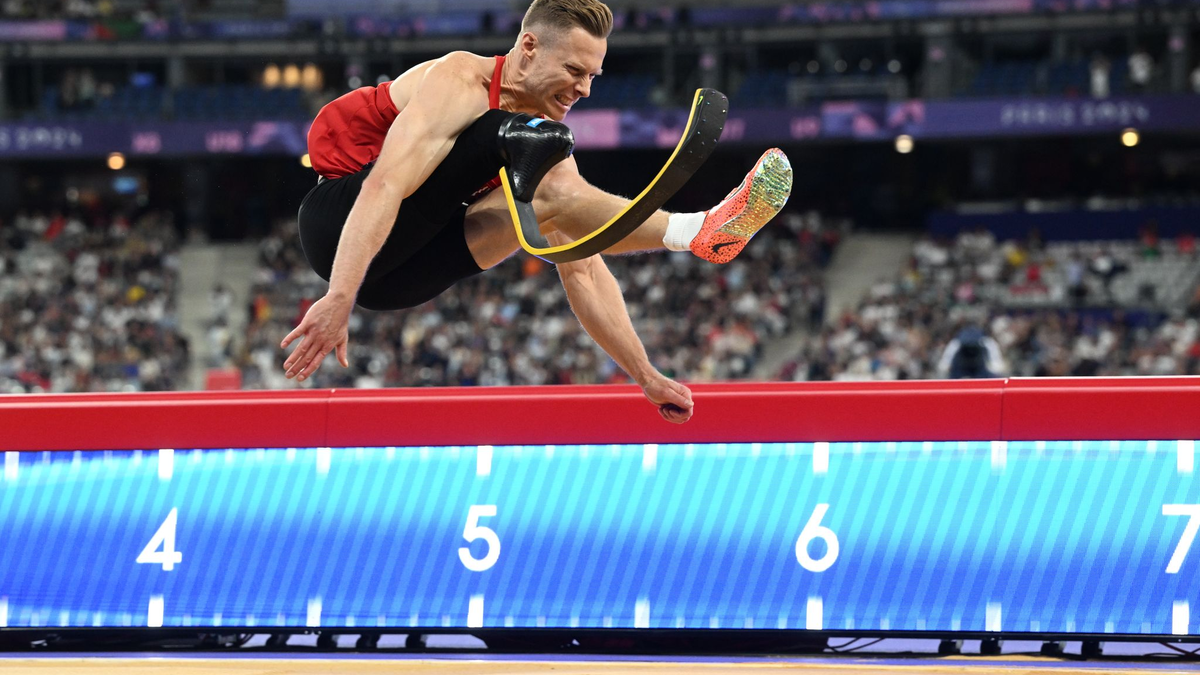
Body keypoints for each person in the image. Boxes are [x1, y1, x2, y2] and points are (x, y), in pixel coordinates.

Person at [281, 0, 792, 424]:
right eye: (574, 70)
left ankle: (702, 235)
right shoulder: (460, 81)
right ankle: (698, 230)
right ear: (528, 47)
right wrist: (338, 297)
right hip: (337, 223)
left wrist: (646, 375)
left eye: (592, 75)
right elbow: (384, 187)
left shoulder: (537, 137)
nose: (584, 89)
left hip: (400, 280)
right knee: (505, 131)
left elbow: (585, 264)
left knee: (551, 197)